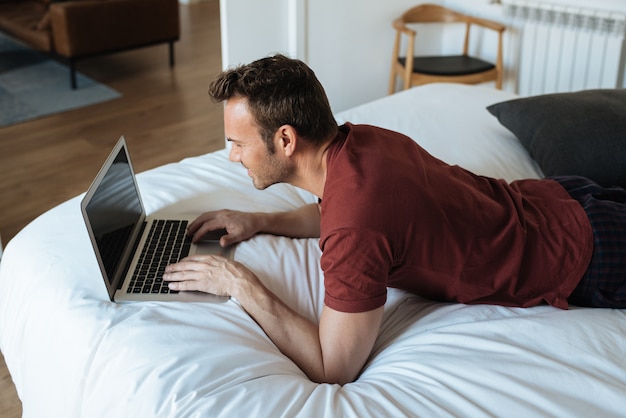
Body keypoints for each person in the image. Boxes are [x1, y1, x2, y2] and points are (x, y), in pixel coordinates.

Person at [163, 54, 626, 385]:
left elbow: (334, 366)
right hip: (567, 200)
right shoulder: (361, 142)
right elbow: (343, 211)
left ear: (285, 139)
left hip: (590, 255)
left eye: (239, 143)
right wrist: (260, 221)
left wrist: (241, 285)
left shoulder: (356, 227)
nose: (231, 156)